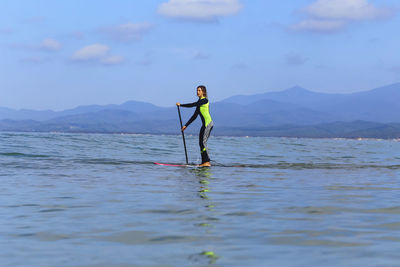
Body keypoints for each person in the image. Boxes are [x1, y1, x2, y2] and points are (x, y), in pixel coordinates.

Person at [176, 85, 214, 167]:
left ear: (203, 92)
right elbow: (194, 116)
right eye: (197, 90)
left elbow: (193, 104)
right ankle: (204, 162)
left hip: (208, 124)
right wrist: (186, 125)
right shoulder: (199, 103)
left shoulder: (204, 100)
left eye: (199, 90)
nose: (197, 92)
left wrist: (181, 105)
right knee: (201, 143)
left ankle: (207, 162)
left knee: (203, 142)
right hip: (204, 125)